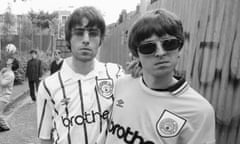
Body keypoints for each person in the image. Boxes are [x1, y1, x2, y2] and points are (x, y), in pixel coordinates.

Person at [99, 9, 216, 144]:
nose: (160, 53)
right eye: (148, 47)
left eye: (169, 44)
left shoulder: (199, 111)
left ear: (180, 48)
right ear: (136, 54)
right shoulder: (122, 85)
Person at [37, 6, 124, 144]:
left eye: (93, 33)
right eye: (79, 33)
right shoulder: (48, 86)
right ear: (68, 40)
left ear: (100, 40)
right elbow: (45, 138)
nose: (86, 40)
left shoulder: (116, 74)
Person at [0, 57, 19, 132]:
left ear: (11, 64)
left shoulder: (10, 74)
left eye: (10, 60)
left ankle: (5, 126)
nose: (8, 59)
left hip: (4, 97)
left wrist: (1, 73)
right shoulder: (6, 72)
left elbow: (2, 83)